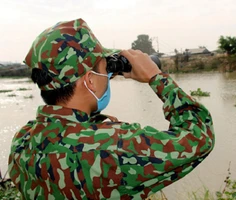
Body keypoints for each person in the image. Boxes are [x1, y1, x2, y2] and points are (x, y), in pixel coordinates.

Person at [8, 18, 215, 200]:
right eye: (104, 69)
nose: (108, 76)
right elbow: (200, 136)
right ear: (89, 80)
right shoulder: (114, 145)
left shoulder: (23, 140)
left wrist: (102, 79)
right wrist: (155, 77)